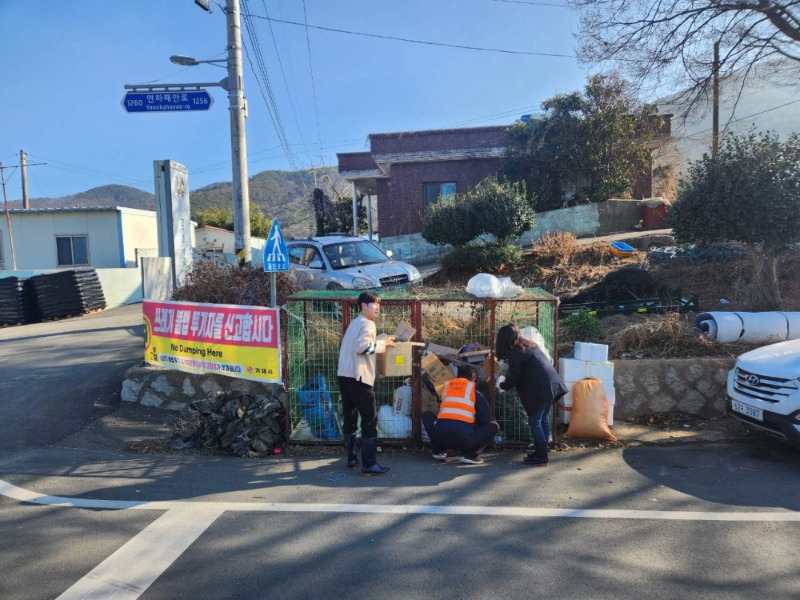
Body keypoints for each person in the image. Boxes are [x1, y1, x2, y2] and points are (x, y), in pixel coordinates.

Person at [337, 291, 396, 476]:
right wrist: (383, 345)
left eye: (379, 304)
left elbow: (357, 347)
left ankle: (352, 458)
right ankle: (369, 464)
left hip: (344, 376)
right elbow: (363, 347)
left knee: (350, 417)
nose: (378, 307)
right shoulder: (368, 324)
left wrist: (379, 342)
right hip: (359, 378)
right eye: (374, 304)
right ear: (363, 305)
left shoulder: (355, 323)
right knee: (369, 420)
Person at [494, 323, 567, 467]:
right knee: (543, 419)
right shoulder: (529, 345)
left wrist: (502, 385)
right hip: (553, 384)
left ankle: (542, 457)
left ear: (503, 340)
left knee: (534, 421)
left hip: (541, 388)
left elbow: (515, 377)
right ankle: (542, 451)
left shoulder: (515, 352)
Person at [421, 365, 500, 465]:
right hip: (463, 440)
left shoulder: (446, 387)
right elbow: (485, 418)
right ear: (473, 378)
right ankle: (469, 455)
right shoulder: (473, 389)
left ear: (457, 376)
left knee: (427, 415)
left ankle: (439, 451)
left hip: (440, 438)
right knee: (494, 426)